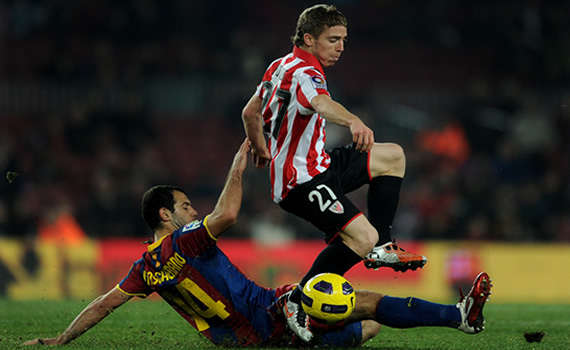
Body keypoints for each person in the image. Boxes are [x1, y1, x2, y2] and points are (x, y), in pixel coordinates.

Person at [23, 139, 493, 347]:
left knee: (361, 324)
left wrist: (61, 339)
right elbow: (226, 214)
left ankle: (441, 318)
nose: (192, 211)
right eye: (185, 206)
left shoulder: (147, 266)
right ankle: (459, 318)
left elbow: (103, 305)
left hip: (240, 334)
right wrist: (237, 164)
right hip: (267, 318)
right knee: (363, 305)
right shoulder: (184, 241)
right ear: (166, 215)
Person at [242, 3, 426, 341]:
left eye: (344, 39)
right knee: (361, 237)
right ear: (309, 39)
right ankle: (296, 301)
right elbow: (322, 104)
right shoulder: (305, 73)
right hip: (302, 181)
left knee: (393, 157)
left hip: (320, 165)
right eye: (333, 39)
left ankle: (384, 246)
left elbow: (250, 112)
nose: (341, 47)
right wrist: (353, 120)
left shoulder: (278, 65)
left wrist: (259, 146)